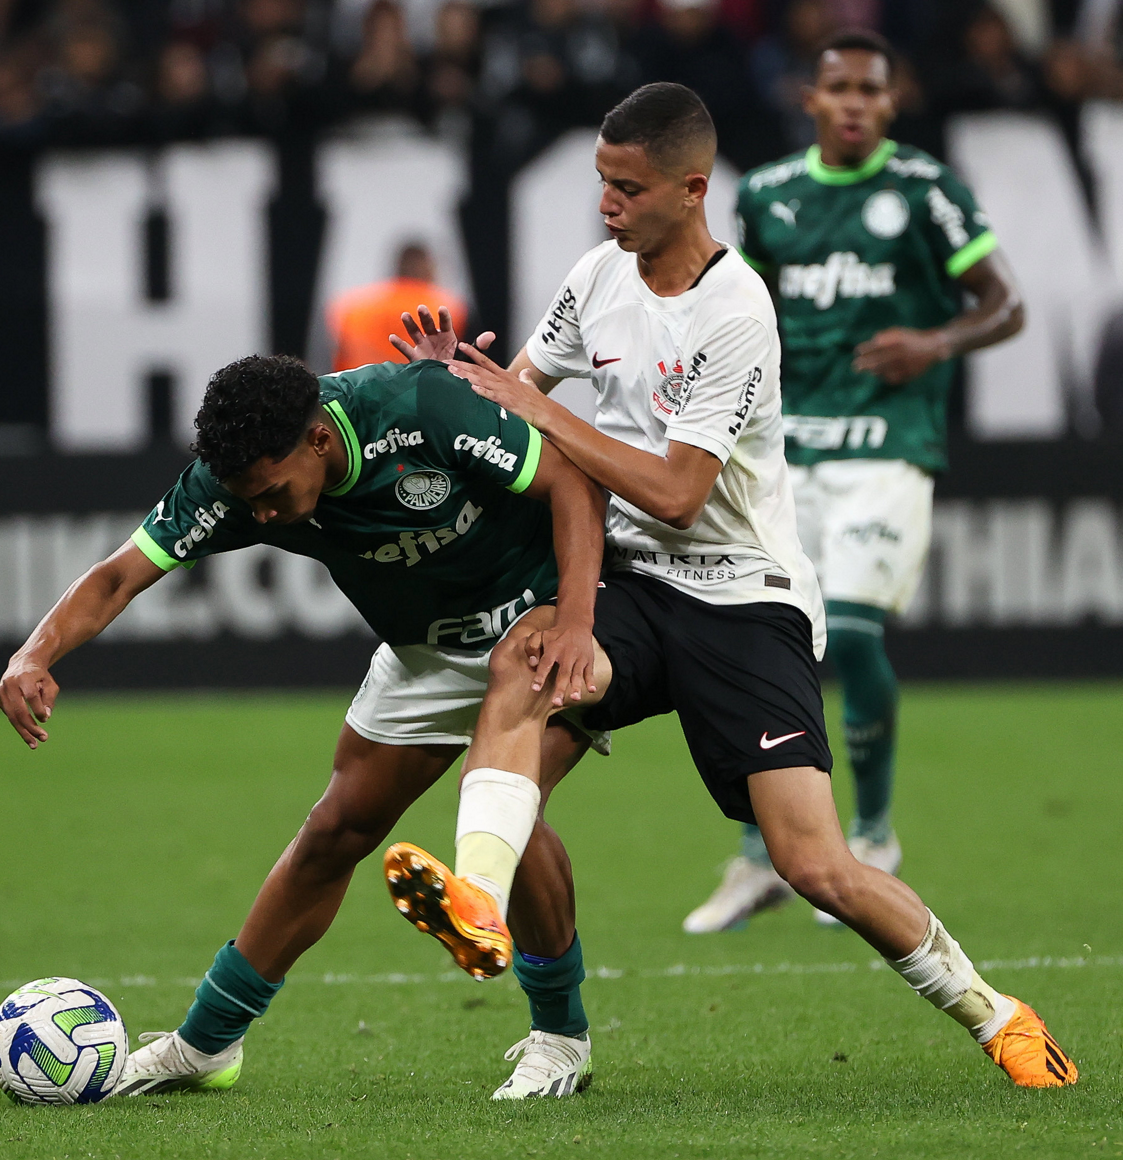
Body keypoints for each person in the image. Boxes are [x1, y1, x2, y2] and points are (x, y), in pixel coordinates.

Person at [385, 81, 1075, 1088]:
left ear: (692, 189)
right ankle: (505, 949)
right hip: (633, 586)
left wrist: (534, 409)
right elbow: (517, 393)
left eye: (627, 188)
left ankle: (995, 1014)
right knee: (518, 698)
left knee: (815, 866)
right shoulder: (595, 277)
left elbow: (675, 492)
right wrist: (455, 384)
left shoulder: (736, 308)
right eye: (601, 182)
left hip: (743, 599)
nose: (606, 204)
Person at [0, 349, 611, 1100]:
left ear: (319, 441)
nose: (260, 514)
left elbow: (570, 484)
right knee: (333, 832)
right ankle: (205, 1044)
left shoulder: (420, 407)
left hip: (540, 624)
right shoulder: (232, 485)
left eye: (270, 494)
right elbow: (120, 574)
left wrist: (577, 619)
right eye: (246, 500)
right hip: (426, 652)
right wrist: (35, 652)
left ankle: (560, 1037)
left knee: (508, 811)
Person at [683, 29, 1025, 935]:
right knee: (761, 640)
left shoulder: (924, 189)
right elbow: (742, 312)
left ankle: (872, 835)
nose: (855, 105)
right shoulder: (768, 195)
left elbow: (1006, 304)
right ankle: (760, 855)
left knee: (857, 633)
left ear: (892, 100)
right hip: (787, 449)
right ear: (812, 98)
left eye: (871, 91)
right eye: (840, 89)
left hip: (888, 442)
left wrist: (935, 342)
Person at [327, 243, 468, 371]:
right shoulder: (448, 308)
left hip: (359, 387)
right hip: (418, 388)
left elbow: (338, 359)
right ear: (429, 268)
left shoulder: (352, 305)